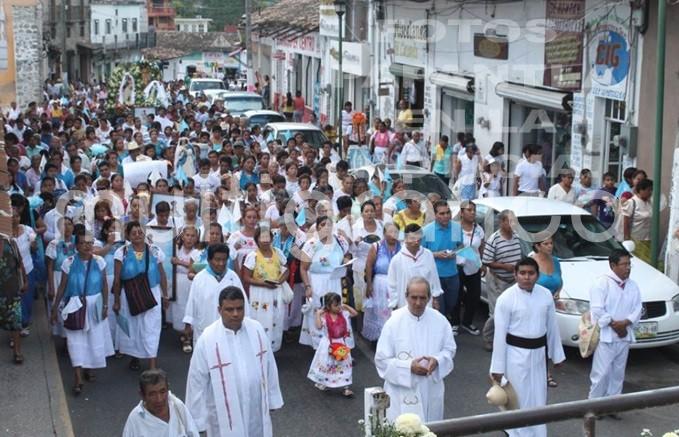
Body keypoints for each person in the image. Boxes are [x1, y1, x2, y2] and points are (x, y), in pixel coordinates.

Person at [185, 287, 284, 437]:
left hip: (255, 405)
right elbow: (196, 380)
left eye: (239, 308)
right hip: (223, 412)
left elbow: (269, 366)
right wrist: (197, 420)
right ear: (219, 310)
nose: (235, 314)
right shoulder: (208, 338)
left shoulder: (256, 329)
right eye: (229, 310)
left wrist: (272, 398)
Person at [490, 258, 565, 437]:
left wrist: (557, 355)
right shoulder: (506, 299)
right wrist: (497, 368)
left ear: (537, 275)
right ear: (515, 275)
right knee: (518, 396)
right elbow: (499, 335)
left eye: (531, 273)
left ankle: (538, 432)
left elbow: (552, 326)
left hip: (539, 354)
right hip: (515, 355)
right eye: (522, 273)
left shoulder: (545, 295)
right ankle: (515, 433)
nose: (526, 277)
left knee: (538, 395)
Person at [375, 277, 456, 422]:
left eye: (422, 298)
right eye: (414, 297)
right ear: (406, 296)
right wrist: (408, 367)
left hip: (430, 387)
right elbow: (381, 360)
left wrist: (437, 360)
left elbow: (449, 349)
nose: (418, 303)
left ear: (429, 298)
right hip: (402, 390)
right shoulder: (393, 322)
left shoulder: (440, 321)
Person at [51, 228, 114, 395]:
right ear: (76, 246)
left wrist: (106, 306)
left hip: (94, 305)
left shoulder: (99, 261)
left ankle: (89, 367)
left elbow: (104, 285)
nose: (87, 246)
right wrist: (54, 308)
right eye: (83, 243)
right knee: (75, 340)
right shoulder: (69, 262)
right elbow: (62, 287)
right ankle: (78, 377)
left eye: (89, 243)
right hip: (74, 305)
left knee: (93, 338)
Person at [588, 249, 642, 413]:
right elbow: (597, 309)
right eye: (624, 264)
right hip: (607, 336)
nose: (627, 268)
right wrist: (615, 325)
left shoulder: (632, 285)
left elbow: (638, 308)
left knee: (618, 373)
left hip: (624, 335)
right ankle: (594, 407)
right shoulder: (602, 283)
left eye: (629, 264)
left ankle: (613, 406)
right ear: (613, 265)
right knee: (601, 373)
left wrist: (626, 323)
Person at [113, 221, 169, 371]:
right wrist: (116, 301)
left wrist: (165, 296)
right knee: (134, 327)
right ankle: (135, 357)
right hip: (131, 296)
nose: (138, 235)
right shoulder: (121, 253)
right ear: (128, 236)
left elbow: (162, 274)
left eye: (140, 232)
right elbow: (117, 279)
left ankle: (152, 364)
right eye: (134, 233)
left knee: (152, 327)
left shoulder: (154, 251)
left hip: (153, 293)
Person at [299, 216, 350, 348]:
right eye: (323, 224)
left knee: (337, 310)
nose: (326, 227)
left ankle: (339, 343)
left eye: (329, 224)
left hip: (335, 280)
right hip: (317, 282)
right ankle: (320, 346)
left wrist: (346, 261)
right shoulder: (311, 244)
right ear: (317, 228)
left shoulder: (340, 241)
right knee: (319, 311)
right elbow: (303, 268)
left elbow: (346, 256)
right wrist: (308, 286)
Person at [183, 243, 245, 347]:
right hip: (205, 326)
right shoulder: (199, 278)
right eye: (217, 260)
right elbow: (191, 302)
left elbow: (243, 304)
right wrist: (188, 324)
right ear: (209, 260)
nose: (221, 263)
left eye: (224, 260)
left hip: (229, 328)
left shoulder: (233, 277)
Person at [242, 226, 289, 352]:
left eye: (267, 237)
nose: (265, 240)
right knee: (260, 319)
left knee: (275, 318)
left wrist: (280, 280)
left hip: (276, 292)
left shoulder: (278, 253)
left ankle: (273, 348)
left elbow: (286, 270)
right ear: (257, 240)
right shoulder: (253, 256)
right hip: (260, 293)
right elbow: (246, 277)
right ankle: (259, 348)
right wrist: (263, 283)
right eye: (262, 237)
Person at [481, 210, 522, 350]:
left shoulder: (516, 237)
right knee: (496, 312)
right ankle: (488, 337)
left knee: (511, 310)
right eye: (510, 221)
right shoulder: (494, 239)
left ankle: (506, 338)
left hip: (513, 280)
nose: (513, 224)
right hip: (497, 280)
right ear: (502, 222)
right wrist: (505, 267)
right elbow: (486, 261)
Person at [422, 200, 463, 332]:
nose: (446, 216)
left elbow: (460, 246)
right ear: (435, 215)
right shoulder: (428, 230)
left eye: (448, 213)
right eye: (442, 213)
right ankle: (440, 333)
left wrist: (454, 253)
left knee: (452, 303)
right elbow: (422, 253)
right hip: (435, 276)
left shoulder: (456, 227)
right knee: (440, 308)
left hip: (452, 274)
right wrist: (436, 255)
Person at [307, 292, 358, 397]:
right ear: (328, 306)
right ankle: (326, 382)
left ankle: (346, 387)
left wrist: (346, 306)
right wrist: (317, 314)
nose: (339, 307)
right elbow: (318, 326)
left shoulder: (343, 314)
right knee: (329, 364)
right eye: (336, 305)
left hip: (341, 343)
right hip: (328, 345)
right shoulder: (324, 317)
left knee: (344, 364)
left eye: (339, 304)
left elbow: (354, 313)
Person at [123, 368, 199, 437]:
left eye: (162, 392)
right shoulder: (135, 419)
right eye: (152, 394)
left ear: (168, 388)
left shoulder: (177, 406)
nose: (159, 399)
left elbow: (193, 433)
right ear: (142, 395)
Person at [530, 237, 562, 388]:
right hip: (534, 306)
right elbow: (526, 283)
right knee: (537, 338)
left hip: (551, 306)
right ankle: (539, 372)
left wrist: (557, 293)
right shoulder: (531, 262)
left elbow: (559, 281)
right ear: (538, 246)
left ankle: (547, 370)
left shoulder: (555, 261)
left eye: (551, 243)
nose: (550, 246)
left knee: (549, 338)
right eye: (546, 243)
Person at [387, 224, 442, 310]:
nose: (416, 242)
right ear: (405, 239)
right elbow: (392, 284)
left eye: (418, 238)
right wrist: (394, 303)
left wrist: (435, 298)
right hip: (404, 303)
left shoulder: (428, 255)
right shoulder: (397, 259)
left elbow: (434, 277)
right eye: (412, 238)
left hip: (426, 302)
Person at [362, 223, 400, 341]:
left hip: (397, 283)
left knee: (396, 311)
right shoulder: (376, 246)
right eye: (390, 232)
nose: (393, 235)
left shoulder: (402, 247)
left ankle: (395, 337)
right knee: (381, 311)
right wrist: (369, 284)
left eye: (395, 232)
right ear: (384, 233)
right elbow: (369, 265)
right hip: (380, 283)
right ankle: (381, 337)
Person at [170, 226, 201, 353]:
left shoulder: (198, 251)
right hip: (178, 282)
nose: (189, 238)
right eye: (187, 235)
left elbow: (196, 266)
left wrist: (180, 262)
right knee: (180, 308)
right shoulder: (176, 249)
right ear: (182, 236)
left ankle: (189, 337)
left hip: (192, 282)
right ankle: (184, 334)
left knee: (191, 308)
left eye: (193, 236)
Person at [457, 200, 485, 335]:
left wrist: (483, 263)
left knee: (474, 296)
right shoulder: (455, 228)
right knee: (456, 295)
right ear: (462, 213)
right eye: (469, 210)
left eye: (474, 210)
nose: (472, 213)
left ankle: (467, 322)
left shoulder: (478, 229)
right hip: (458, 266)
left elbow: (481, 246)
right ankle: (455, 322)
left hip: (474, 266)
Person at [0, 236, 28, 364]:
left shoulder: (11, 243)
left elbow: (20, 263)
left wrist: (25, 280)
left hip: (11, 288)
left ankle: (17, 352)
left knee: (15, 322)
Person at [622, 178, 653, 264]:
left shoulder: (649, 202)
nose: (650, 192)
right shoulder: (632, 202)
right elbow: (626, 222)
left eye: (651, 190)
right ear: (641, 190)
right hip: (636, 240)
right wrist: (627, 239)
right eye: (648, 190)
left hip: (647, 239)